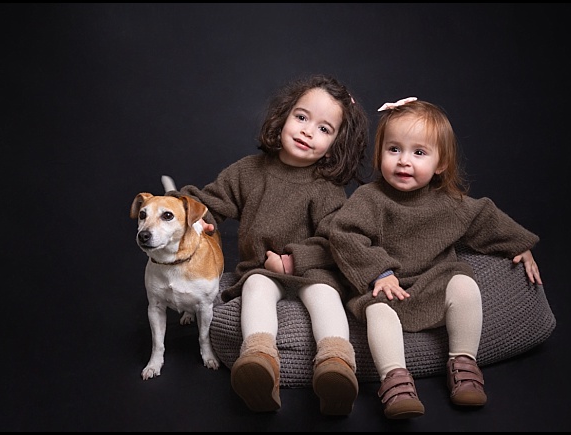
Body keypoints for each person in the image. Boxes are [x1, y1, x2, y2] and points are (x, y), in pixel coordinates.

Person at [316, 97, 542, 419]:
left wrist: (519, 245)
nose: (404, 161)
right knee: (378, 313)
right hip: (386, 288)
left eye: (418, 153)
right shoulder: (370, 198)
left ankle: (463, 364)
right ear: (380, 154)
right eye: (394, 149)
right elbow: (342, 234)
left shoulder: (449, 202)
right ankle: (395, 380)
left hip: (434, 281)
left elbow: (484, 217)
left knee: (464, 285)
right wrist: (379, 272)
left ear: (440, 164)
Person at [175, 74, 369, 415]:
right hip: (261, 269)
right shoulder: (249, 171)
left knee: (326, 295)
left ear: (336, 143)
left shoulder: (325, 188)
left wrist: (294, 261)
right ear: (283, 116)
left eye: (324, 129)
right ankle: (260, 361)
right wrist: (193, 214)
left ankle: (335, 365)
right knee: (256, 289)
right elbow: (212, 200)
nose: (309, 131)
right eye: (302, 117)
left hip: (311, 272)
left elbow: (335, 240)